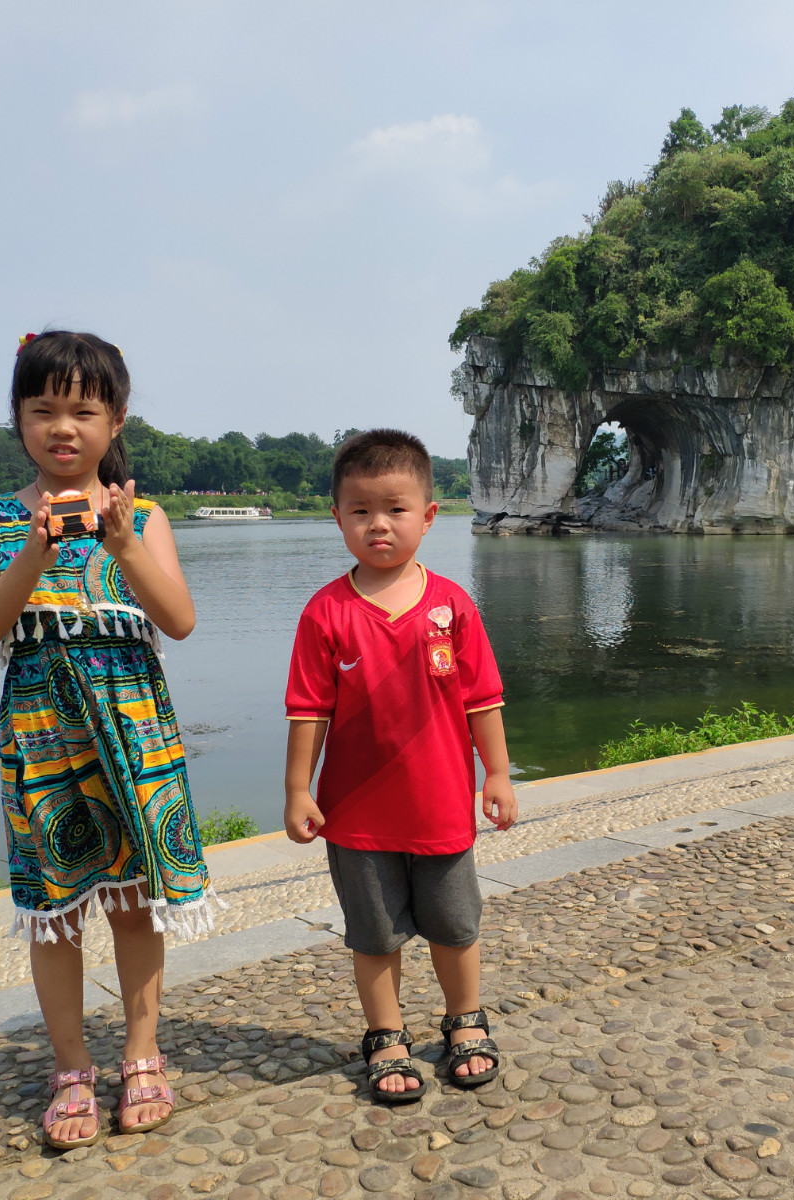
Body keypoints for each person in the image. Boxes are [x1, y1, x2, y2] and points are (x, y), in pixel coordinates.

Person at [0, 330, 218, 1148]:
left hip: (132, 726)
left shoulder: (141, 514)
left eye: (83, 411)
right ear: (19, 419)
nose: (62, 428)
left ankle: (142, 1052)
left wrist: (124, 544)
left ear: (116, 420)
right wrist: (33, 554)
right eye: (43, 411)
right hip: (41, 731)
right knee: (56, 911)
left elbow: (177, 621)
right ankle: (71, 1066)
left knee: (137, 902)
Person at [282, 429, 516, 1104]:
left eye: (395, 509)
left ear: (428, 516)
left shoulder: (452, 606)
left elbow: (484, 699)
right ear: (338, 517)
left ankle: (465, 1021)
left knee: (454, 924)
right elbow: (308, 711)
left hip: (441, 803)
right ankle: (385, 1035)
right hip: (356, 815)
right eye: (360, 511)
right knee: (374, 935)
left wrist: (496, 774)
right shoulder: (326, 613)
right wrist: (299, 786)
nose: (378, 524)